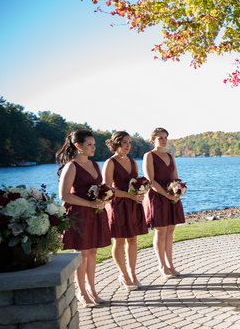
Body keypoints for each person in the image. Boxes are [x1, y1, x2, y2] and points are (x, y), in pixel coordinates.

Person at [57, 129, 111, 308]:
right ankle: (81, 292)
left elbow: (100, 188)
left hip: (95, 213)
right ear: (78, 146)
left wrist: (103, 199)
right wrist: (90, 205)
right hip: (79, 215)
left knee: (93, 252)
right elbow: (64, 195)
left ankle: (92, 289)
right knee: (82, 254)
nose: (93, 147)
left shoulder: (95, 165)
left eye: (94, 144)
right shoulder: (71, 166)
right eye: (90, 145)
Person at [103, 131, 148, 291]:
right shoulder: (110, 163)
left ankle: (132, 273)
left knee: (133, 239)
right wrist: (129, 195)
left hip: (133, 205)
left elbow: (137, 183)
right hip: (117, 205)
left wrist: (141, 194)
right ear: (117, 144)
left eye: (129, 142)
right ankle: (123, 274)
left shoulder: (133, 163)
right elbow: (106, 189)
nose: (128, 146)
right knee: (120, 240)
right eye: (124, 143)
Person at [143, 127, 185, 279]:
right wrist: (167, 195)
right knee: (161, 232)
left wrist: (177, 192)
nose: (163, 140)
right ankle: (162, 265)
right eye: (160, 138)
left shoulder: (170, 156)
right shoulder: (149, 156)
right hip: (157, 197)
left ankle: (171, 264)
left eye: (165, 137)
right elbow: (150, 180)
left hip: (171, 197)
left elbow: (176, 178)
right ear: (153, 140)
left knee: (170, 231)